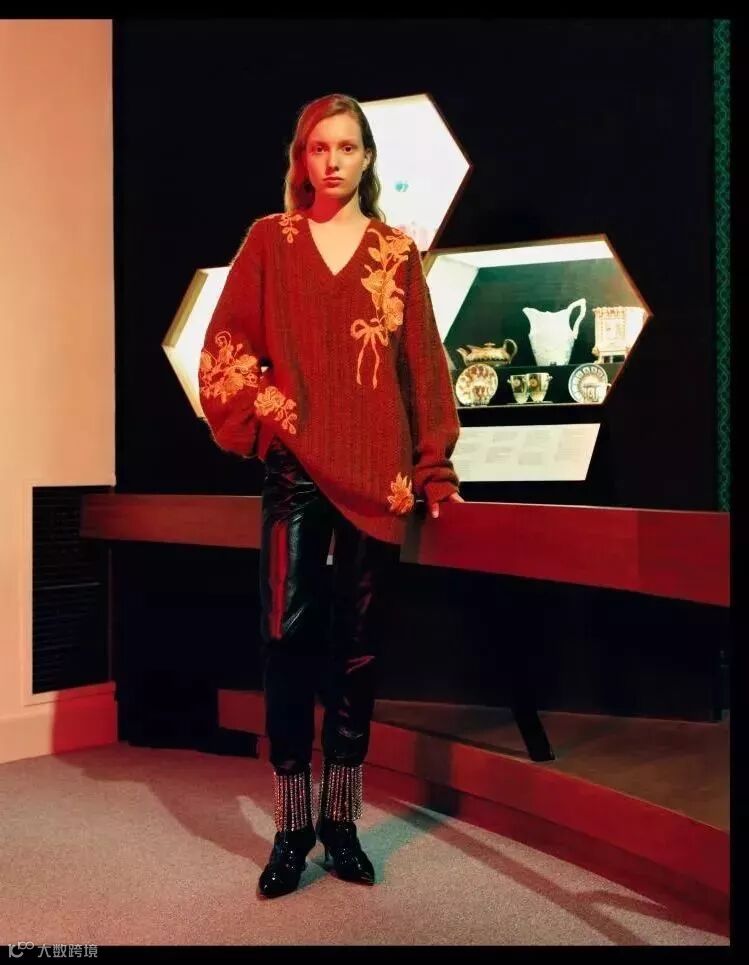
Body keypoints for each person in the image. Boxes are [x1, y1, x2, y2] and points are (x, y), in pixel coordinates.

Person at [198, 93, 463, 899]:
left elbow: (422, 365)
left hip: (377, 476)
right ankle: (292, 826)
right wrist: (267, 417)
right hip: (295, 472)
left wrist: (434, 468)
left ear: (367, 158)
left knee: (357, 646)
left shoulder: (395, 251)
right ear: (301, 158)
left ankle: (340, 822)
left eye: (348, 147)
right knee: (284, 636)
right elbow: (226, 340)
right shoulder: (269, 241)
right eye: (320, 147)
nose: (334, 160)